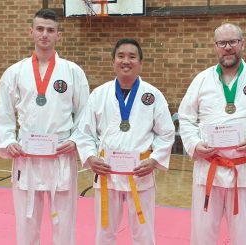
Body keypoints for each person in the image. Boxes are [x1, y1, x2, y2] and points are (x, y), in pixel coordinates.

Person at [178, 23, 246, 245]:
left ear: (242, 44)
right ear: (215, 46)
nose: (228, 48)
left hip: (245, 170)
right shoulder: (201, 80)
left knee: (245, 237)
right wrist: (194, 144)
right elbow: (186, 118)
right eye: (222, 43)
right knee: (202, 236)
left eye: (233, 42)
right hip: (208, 168)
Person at [0, 9, 89, 245]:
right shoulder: (14, 72)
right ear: (31, 32)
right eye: (40, 29)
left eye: (50, 30)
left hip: (60, 154)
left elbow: (86, 113)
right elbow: (4, 113)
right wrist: (8, 141)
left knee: (64, 223)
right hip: (27, 156)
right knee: (26, 223)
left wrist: (76, 140)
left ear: (59, 35)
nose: (44, 34)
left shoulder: (73, 72)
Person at [75, 38, 175, 245]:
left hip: (140, 173)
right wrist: (90, 157)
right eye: (121, 56)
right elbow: (84, 133)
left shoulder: (152, 95)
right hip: (106, 174)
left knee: (144, 233)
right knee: (104, 233)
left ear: (141, 62)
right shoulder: (99, 94)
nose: (126, 61)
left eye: (132, 56)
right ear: (113, 61)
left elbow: (166, 133)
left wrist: (154, 159)